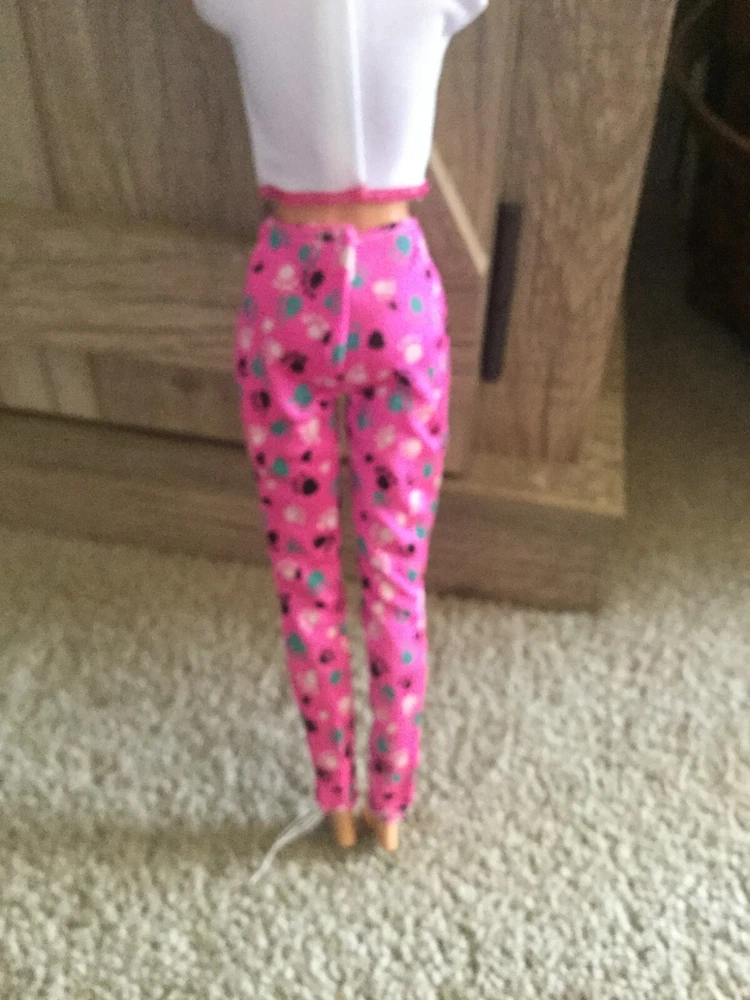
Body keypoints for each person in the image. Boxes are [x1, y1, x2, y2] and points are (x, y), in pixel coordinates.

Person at [194, 0, 489, 851]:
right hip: (397, 289)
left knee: (305, 568)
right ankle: (387, 797)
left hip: (287, 287)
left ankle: (340, 796)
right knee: (396, 568)